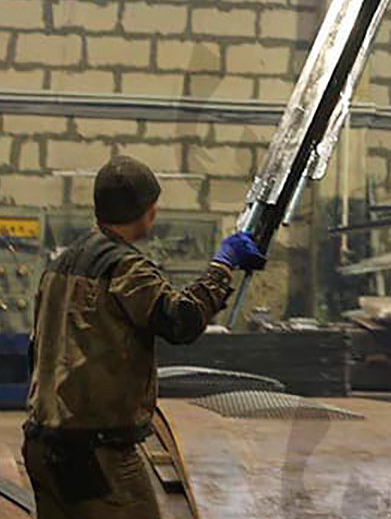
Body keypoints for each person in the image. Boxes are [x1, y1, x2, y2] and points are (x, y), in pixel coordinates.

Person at [22, 155, 267, 518]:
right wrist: (222, 265)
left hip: (41, 443)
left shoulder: (60, 264)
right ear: (147, 211)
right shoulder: (124, 266)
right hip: (94, 454)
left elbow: (35, 348)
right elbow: (181, 320)